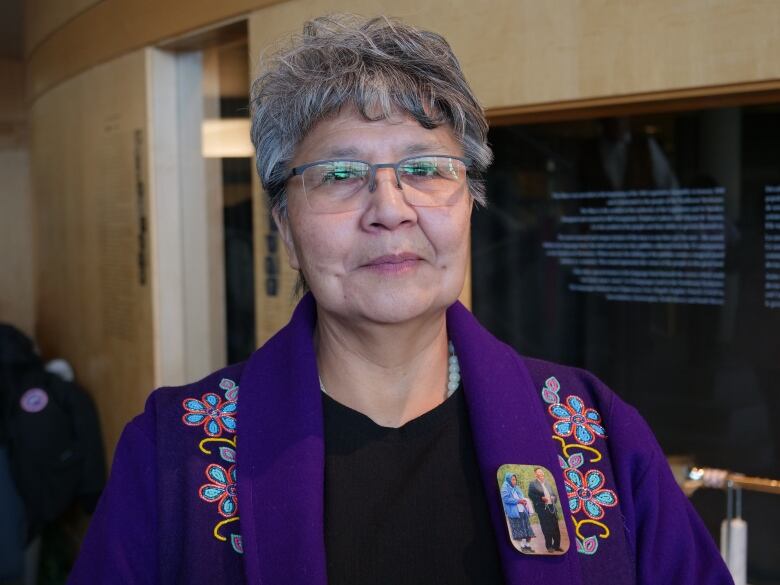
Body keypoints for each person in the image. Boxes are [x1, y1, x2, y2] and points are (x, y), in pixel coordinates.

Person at [69, 15, 734, 585]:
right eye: (338, 174)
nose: (390, 209)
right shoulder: (172, 452)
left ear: (470, 206)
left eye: (423, 169)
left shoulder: (595, 433)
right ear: (286, 232)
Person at [527, 466, 562, 553]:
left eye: (542, 473)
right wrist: (541, 498)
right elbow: (530, 495)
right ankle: (549, 546)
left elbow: (554, 494)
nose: (541, 475)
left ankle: (556, 546)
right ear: (536, 475)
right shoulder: (533, 484)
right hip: (542, 509)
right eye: (539, 473)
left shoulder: (547, 483)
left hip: (552, 508)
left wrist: (554, 497)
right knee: (546, 528)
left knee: (555, 527)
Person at [500, 473, 535, 552]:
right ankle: (523, 547)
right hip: (514, 512)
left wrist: (524, 501)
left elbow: (521, 496)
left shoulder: (516, 487)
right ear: (508, 479)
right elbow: (506, 499)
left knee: (526, 528)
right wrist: (518, 501)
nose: (514, 481)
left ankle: (527, 546)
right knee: (519, 529)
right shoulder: (504, 488)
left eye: (515, 479)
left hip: (522, 510)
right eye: (512, 479)